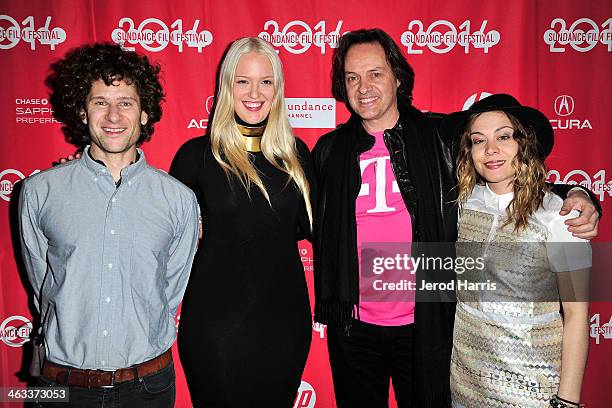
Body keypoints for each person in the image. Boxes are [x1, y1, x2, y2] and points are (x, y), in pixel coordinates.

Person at [311, 29, 599, 407]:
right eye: (352, 77)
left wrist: (578, 194)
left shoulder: (440, 137)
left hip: (427, 325)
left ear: (397, 77)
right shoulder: (329, 152)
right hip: (354, 326)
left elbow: (505, 170)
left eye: (375, 73)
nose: (363, 86)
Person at [19, 43, 199, 407]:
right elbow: (44, 284)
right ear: (83, 112)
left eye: (126, 103)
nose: (113, 115)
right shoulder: (40, 191)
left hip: (148, 387)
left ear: (145, 113)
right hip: (61, 386)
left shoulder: (178, 200)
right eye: (100, 102)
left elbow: (169, 294)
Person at [169, 37, 313, 407]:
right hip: (214, 324)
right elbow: (160, 231)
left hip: (285, 322)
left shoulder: (297, 156)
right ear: (226, 86)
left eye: (266, 81)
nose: (255, 93)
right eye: (242, 81)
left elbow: (318, 228)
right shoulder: (195, 156)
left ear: (278, 89)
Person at [445, 93, 590, 408]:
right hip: (465, 384)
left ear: (524, 143)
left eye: (503, 137)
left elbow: (577, 313)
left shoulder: (560, 216)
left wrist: (568, 399)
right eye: (478, 140)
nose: (490, 150)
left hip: (532, 387)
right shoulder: (463, 204)